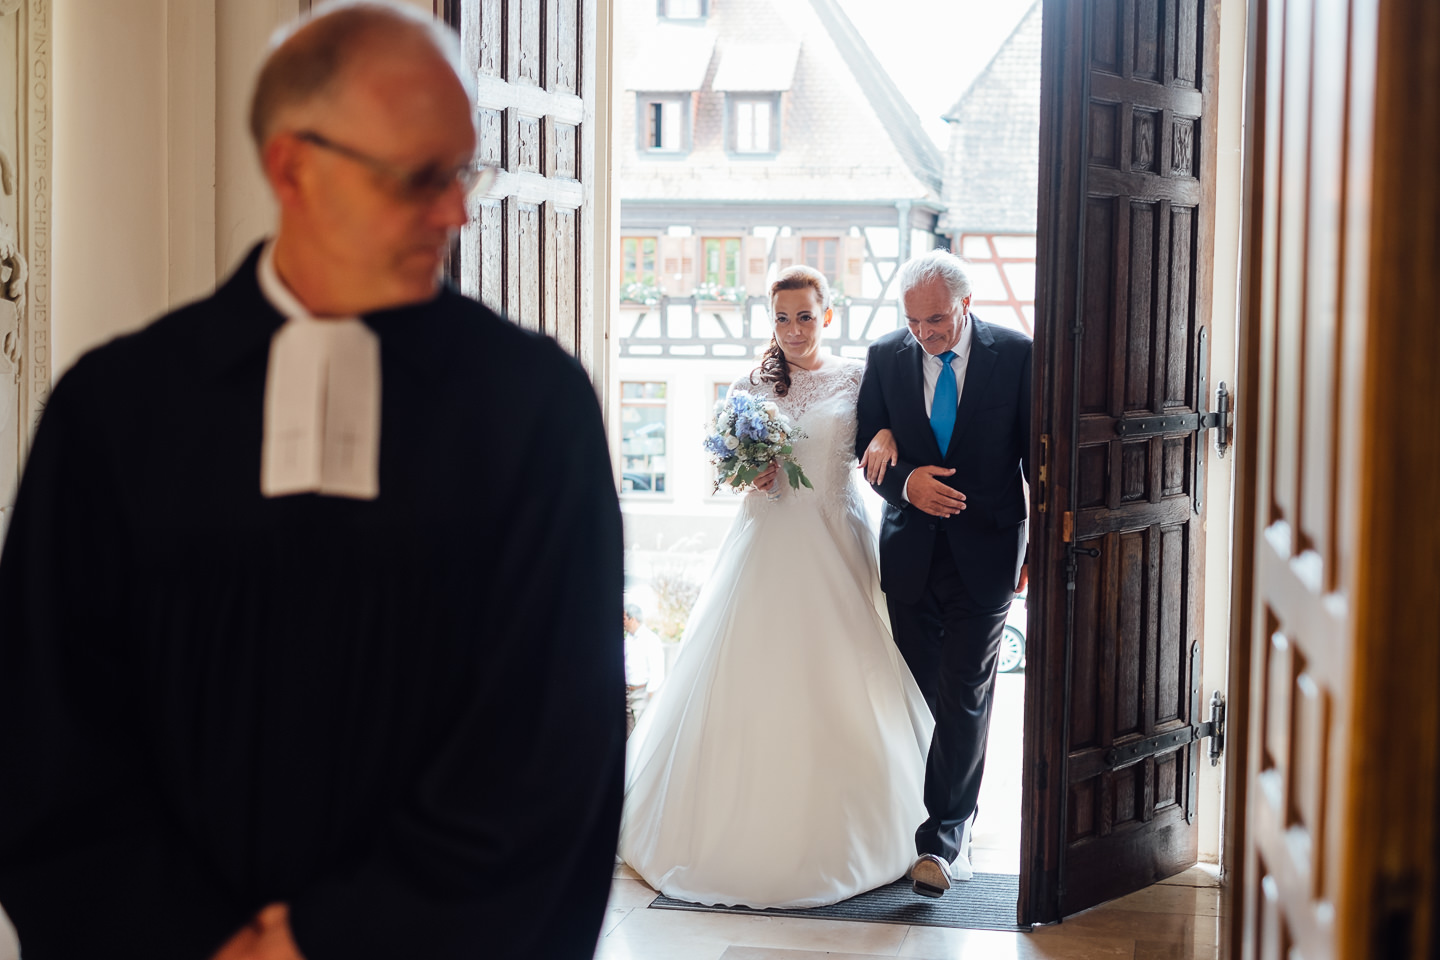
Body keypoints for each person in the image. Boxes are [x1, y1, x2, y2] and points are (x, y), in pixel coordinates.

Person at [0, 4, 624, 958]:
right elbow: (42, 725)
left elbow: (552, 743)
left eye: (461, 172)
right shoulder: (118, 411)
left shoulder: (533, 411)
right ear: (292, 167)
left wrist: (332, 940)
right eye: (421, 178)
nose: (458, 210)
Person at [619, 265, 933, 908]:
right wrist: (748, 472)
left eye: (805, 316)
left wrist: (885, 431)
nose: (793, 330)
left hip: (834, 538)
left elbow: (895, 422)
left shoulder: (857, 376)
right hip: (765, 542)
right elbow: (726, 461)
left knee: (843, 676)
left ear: (828, 316)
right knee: (752, 674)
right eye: (782, 318)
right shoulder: (751, 384)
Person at [856, 248, 1031, 898]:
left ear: (966, 305)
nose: (925, 334)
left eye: (936, 320)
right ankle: (949, 798)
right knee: (928, 692)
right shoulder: (885, 359)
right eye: (914, 323)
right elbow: (864, 445)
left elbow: (1039, 455)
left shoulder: (1016, 355)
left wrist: (1037, 546)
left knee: (964, 693)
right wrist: (906, 484)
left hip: (985, 555)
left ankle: (941, 840)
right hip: (909, 558)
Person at [622, 602, 666, 734]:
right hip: (627, 694)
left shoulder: (650, 639)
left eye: (624, 618)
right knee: (628, 735)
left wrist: (652, 695)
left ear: (633, 619)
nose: (622, 622)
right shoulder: (627, 640)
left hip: (642, 694)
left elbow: (657, 669)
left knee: (641, 733)